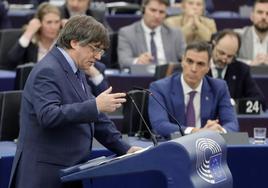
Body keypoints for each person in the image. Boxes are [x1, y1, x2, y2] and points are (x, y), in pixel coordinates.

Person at [8, 15, 141, 188]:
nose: (98, 57)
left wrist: (125, 148)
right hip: (44, 175)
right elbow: (49, 116)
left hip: (69, 170)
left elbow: (94, 116)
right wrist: (95, 106)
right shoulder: (48, 70)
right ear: (74, 42)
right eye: (94, 49)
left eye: (101, 51)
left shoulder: (75, 69)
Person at [148, 41, 238, 138]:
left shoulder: (219, 87)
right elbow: (160, 125)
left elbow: (232, 124)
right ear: (182, 61)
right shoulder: (160, 88)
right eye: (189, 61)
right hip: (175, 147)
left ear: (208, 67)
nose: (193, 69)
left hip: (207, 148)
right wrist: (196, 131)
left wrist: (218, 130)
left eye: (200, 64)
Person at [208, 29, 266, 111]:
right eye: (221, 53)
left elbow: (259, 101)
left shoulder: (241, 70)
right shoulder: (201, 64)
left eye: (230, 56)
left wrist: (234, 104)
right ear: (213, 45)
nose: (224, 59)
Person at [117, 0, 185, 68]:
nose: (157, 16)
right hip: (142, 76)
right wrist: (137, 61)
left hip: (168, 76)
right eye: (153, 10)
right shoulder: (127, 33)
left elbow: (185, 58)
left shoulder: (175, 34)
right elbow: (123, 61)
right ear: (143, 10)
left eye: (161, 12)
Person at [7, 2, 62, 69]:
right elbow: (11, 62)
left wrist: (70, 33)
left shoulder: (62, 41)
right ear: (39, 23)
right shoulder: (31, 40)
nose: (53, 27)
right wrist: (28, 33)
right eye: (49, 22)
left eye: (57, 22)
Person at [235, 0, 268, 66]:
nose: (264, 17)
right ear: (252, 16)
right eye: (260, 12)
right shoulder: (237, 36)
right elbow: (228, 61)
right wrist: (250, 64)